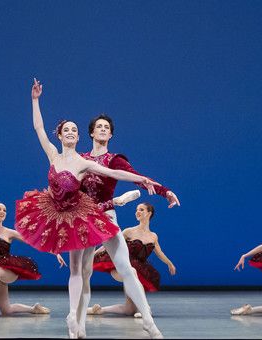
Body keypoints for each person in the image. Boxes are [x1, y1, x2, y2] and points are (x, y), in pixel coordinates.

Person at [15, 79, 160, 338]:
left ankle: (147, 319)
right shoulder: (52, 154)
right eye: (66, 130)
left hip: (85, 214)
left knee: (99, 267)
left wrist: (141, 179)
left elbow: (112, 171)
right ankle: (75, 321)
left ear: (79, 136)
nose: (70, 132)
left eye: (74, 130)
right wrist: (35, 100)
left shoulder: (84, 162)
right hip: (60, 213)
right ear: (59, 136)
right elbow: (38, 127)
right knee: (79, 270)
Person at [77, 113, 181, 338]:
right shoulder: (81, 159)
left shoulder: (114, 160)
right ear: (92, 133)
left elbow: (138, 178)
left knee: (126, 268)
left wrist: (165, 192)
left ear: (111, 134)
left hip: (106, 216)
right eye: (99, 127)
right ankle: (79, 324)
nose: (103, 129)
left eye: (107, 127)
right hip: (84, 219)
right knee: (83, 273)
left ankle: (148, 320)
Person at [0, 203, 66, 317]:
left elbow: (32, 241)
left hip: (8, 270)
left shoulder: (9, 232)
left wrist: (55, 252)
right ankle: (34, 309)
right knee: (6, 310)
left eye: (4, 210)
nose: (2, 212)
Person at [88, 203, 176, 316]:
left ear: (149, 213)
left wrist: (170, 264)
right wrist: (92, 255)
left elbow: (159, 253)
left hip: (139, 270)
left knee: (129, 309)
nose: (137, 212)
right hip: (121, 267)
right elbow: (107, 245)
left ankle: (99, 310)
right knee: (132, 271)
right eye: (136, 210)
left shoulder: (153, 236)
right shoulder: (129, 231)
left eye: (141, 209)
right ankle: (145, 308)